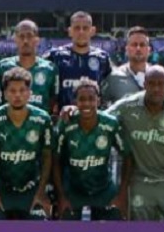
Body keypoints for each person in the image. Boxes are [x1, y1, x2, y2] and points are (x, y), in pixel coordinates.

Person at [110, 67, 164, 221]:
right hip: (139, 182)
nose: (156, 89)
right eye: (151, 84)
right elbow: (100, 118)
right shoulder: (127, 106)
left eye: (160, 84)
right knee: (140, 231)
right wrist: (74, 109)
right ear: (144, 84)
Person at [0, 67, 53, 220]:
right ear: (5, 93)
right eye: (12, 91)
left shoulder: (42, 119)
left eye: (22, 90)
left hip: (32, 188)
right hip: (2, 189)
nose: (17, 95)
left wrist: (41, 192)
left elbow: (47, 157)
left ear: (30, 93)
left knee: (40, 227)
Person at [54, 79, 126, 220]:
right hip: (74, 189)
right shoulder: (66, 123)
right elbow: (55, 159)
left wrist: (121, 193)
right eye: (82, 99)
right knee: (66, 223)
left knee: (115, 218)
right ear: (75, 102)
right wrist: (61, 195)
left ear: (98, 101)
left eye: (91, 99)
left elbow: (127, 156)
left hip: (103, 188)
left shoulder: (110, 124)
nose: (86, 103)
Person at [45, 11, 111, 111]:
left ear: (92, 31)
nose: (81, 32)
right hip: (63, 117)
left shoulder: (102, 58)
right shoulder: (55, 56)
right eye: (77, 28)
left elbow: (108, 91)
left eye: (85, 28)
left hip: (92, 117)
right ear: (70, 31)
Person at [0, 20, 57, 113]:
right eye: (21, 36)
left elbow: (53, 102)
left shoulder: (50, 69)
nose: (25, 41)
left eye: (29, 36)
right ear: (15, 39)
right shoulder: (3, 67)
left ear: (37, 40)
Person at [102, 27, 153, 106]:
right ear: (127, 49)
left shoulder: (159, 76)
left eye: (142, 45)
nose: (138, 48)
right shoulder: (114, 78)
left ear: (149, 50)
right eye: (134, 45)